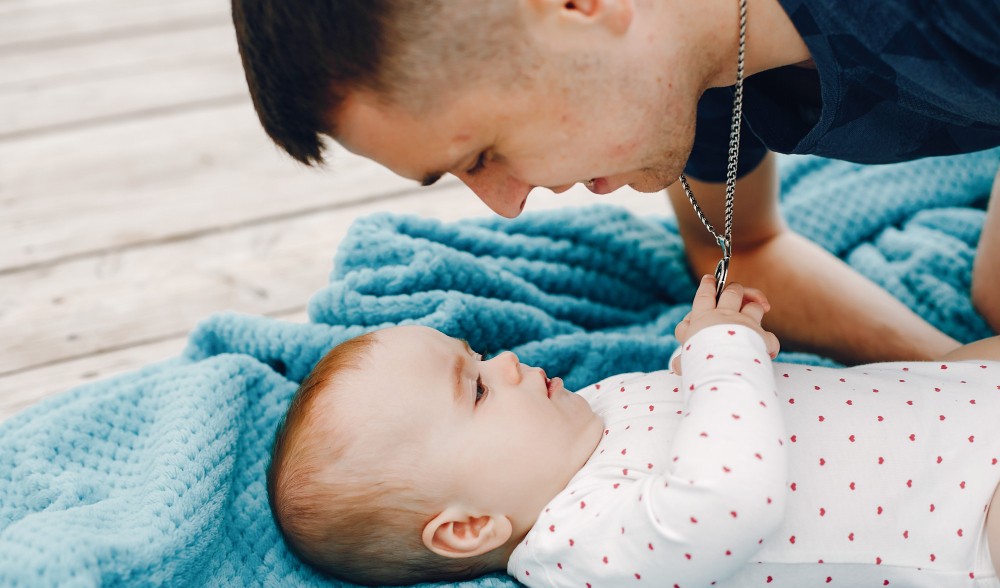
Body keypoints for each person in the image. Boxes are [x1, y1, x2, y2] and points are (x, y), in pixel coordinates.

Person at [231, 0, 1000, 366]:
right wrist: (950, 370)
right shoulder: (679, 78)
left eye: (483, 153)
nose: (505, 203)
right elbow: (747, 249)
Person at [267, 276, 1000, 588]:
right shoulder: (585, 553)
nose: (512, 363)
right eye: (481, 390)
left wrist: (711, 350)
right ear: (468, 527)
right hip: (969, 518)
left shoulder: (590, 411)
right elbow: (728, 497)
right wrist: (723, 357)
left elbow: (711, 404)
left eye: (481, 355)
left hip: (951, 396)